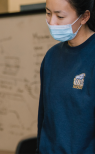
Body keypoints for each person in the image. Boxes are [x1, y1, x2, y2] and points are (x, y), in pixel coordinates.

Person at [38, 0, 95, 153]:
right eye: (48, 13)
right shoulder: (51, 57)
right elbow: (44, 115)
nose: (51, 22)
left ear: (84, 17)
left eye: (60, 17)